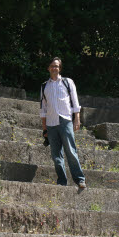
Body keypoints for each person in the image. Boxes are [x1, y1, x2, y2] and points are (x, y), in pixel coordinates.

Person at [40, 57, 86, 188]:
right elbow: (43, 109)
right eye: (52, 66)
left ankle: (79, 179)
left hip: (65, 120)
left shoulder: (67, 82)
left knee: (71, 151)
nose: (54, 68)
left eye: (56, 66)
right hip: (51, 123)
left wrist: (77, 119)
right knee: (56, 155)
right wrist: (44, 129)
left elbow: (75, 102)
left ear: (60, 68)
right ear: (48, 68)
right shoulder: (44, 86)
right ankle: (61, 181)